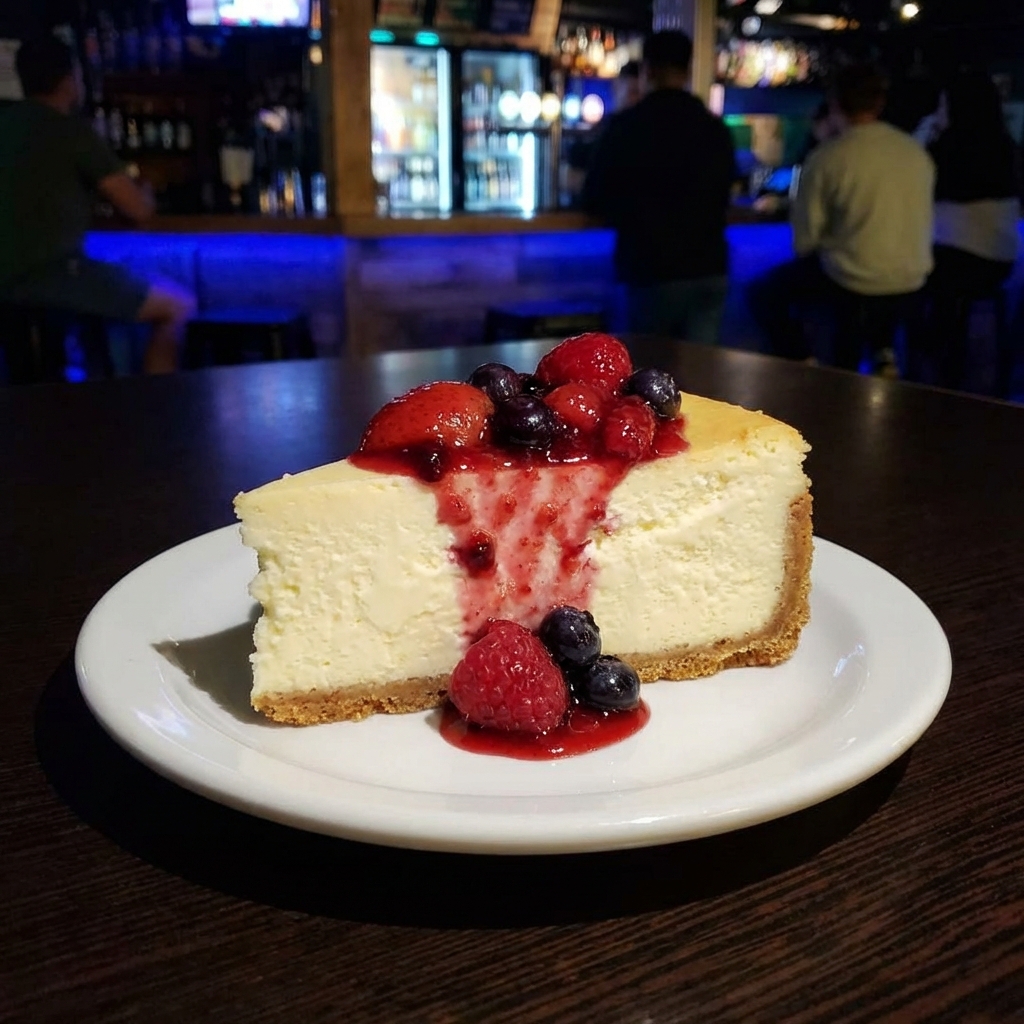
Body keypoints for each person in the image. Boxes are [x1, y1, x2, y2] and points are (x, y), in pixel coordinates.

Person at [0, 35, 195, 374]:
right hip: (53, 276)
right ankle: (161, 415)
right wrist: (145, 192)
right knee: (178, 305)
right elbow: (138, 209)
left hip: (12, 284)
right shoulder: (71, 131)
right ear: (70, 79)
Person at [748, 64, 935, 370]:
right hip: (912, 278)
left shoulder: (828, 156)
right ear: (880, 102)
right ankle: (882, 350)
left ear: (835, 104)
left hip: (852, 280)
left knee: (762, 294)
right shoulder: (915, 151)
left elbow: (805, 241)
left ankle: (808, 363)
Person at [582, 31, 737, 345]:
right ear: (688, 68)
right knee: (699, 378)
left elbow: (594, 198)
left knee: (646, 380)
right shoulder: (713, 127)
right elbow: (726, 189)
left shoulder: (626, 127)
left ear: (647, 69)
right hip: (708, 266)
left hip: (651, 269)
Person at [916, 70, 1020, 390]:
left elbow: (916, 183)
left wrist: (925, 132)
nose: (939, 112)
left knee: (910, 280)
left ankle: (932, 368)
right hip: (1001, 261)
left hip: (957, 259)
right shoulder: (1006, 147)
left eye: (944, 105)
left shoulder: (946, 148)